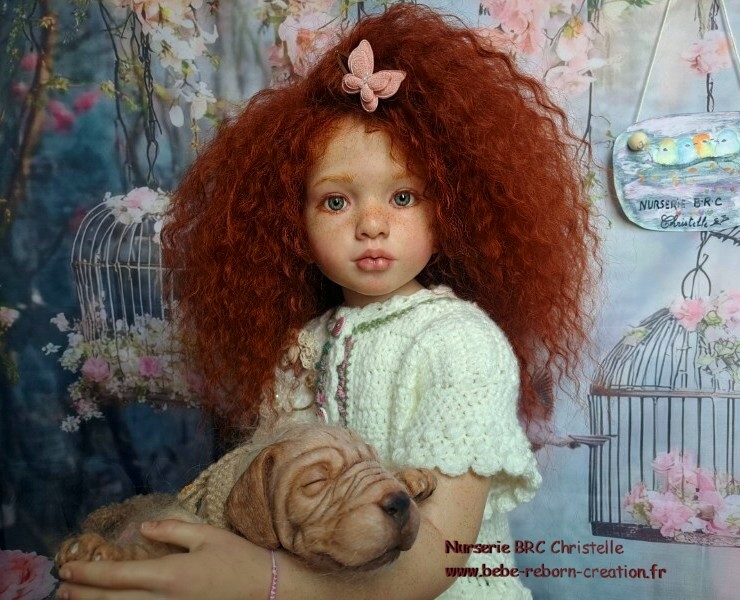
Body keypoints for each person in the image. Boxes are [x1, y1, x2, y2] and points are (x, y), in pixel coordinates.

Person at [56, 4, 598, 599]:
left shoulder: (460, 345)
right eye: (336, 202)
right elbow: (273, 512)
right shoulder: (302, 344)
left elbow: (435, 562)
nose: (372, 224)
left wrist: (254, 579)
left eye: (404, 197)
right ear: (292, 225)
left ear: (451, 210)